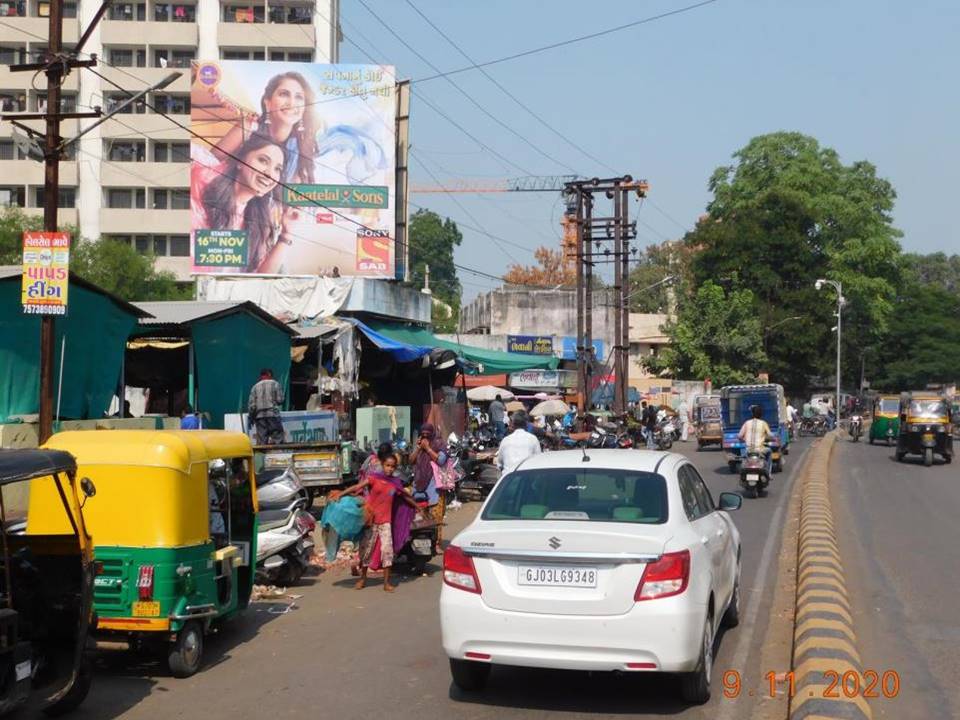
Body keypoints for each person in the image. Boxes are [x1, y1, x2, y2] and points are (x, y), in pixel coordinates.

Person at [192, 133, 287, 273]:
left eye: (277, 169)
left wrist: (287, 235)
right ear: (240, 162)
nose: (270, 174)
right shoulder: (203, 178)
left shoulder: (260, 222)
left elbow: (259, 279)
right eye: (263, 160)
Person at [336, 445, 424, 592]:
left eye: (393, 467)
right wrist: (341, 494)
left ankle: (386, 583)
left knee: (387, 551)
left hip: (386, 522)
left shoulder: (395, 483)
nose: (390, 469)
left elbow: (405, 496)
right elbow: (357, 487)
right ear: (382, 465)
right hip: (371, 521)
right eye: (387, 465)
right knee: (366, 550)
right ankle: (362, 579)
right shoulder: (373, 479)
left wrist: (418, 506)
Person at [211, 71, 320, 184]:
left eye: (299, 97)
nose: (292, 103)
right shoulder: (249, 127)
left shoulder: (300, 145)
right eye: (284, 94)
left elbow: (297, 193)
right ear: (267, 102)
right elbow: (207, 163)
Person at [409, 423, 448, 552]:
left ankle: (436, 544)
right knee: (420, 516)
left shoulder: (438, 444)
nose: (425, 436)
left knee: (435, 516)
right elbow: (411, 460)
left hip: (434, 485)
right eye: (423, 433)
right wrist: (419, 448)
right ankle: (421, 542)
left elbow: (441, 460)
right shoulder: (420, 444)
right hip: (419, 483)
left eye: (428, 434)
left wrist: (428, 449)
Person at [495, 411, 542, 478]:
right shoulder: (533, 439)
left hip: (508, 480)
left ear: (513, 424)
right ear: (526, 424)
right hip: (527, 479)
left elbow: (499, 464)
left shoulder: (505, 440)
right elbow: (538, 461)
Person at [248, 368, 285, 445]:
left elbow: (252, 406)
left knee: (262, 440)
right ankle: (278, 455)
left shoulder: (255, 387)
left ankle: (262, 456)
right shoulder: (275, 384)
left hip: (259, 416)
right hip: (273, 415)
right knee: (277, 436)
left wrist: (251, 417)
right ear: (269, 375)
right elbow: (280, 400)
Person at [738, 405, 774, 475]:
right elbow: (770, 435)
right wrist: (774, 438)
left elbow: (739, 436)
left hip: (748, 450)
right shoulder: (763, 423)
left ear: (752, 413)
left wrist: (743, 439)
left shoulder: (746, 423)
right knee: (769, 452)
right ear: (761, 414)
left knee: (744, 458)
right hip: (760, 449)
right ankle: (768, 472)